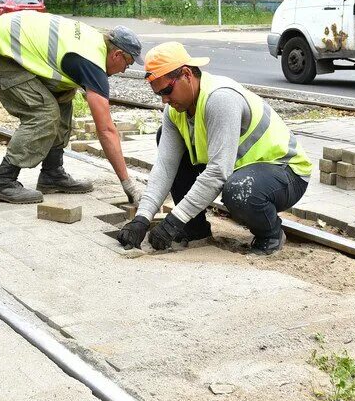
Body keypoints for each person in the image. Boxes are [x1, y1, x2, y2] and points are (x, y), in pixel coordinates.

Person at [117, 42, 313, 256]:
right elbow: (165, 167)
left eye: (167, 91)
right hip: (241, 170)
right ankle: (195, 229)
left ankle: (271, 234)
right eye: (159, 94)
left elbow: (218, 172)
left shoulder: (220, 98)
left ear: (186, 74)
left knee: (238, 190)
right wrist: (142, 219)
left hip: (285, 173)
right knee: (163, 134)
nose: (165, 100)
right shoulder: (174, 111)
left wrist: (174, 219)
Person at [0, 10, 143, 204]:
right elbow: (106, 130)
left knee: (63, 97)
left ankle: (52, 174)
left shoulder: (97, 43)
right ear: (117, 54)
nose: (123, 71)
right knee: (44, 112)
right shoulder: (91, 63)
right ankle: (2, 181)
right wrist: (127, 183)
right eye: (127, 64)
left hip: (7, 39)